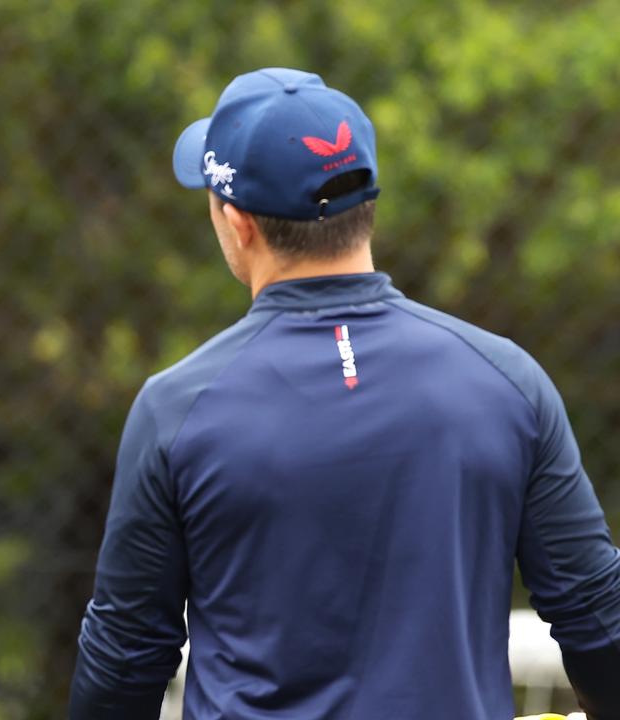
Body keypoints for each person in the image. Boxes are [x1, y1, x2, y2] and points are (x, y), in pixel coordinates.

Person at [70, 68, 620, 719]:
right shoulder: (507, 381)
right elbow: (599, 620)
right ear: (366, 206)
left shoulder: (179, 408)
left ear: (239, 223)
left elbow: (124, 663)